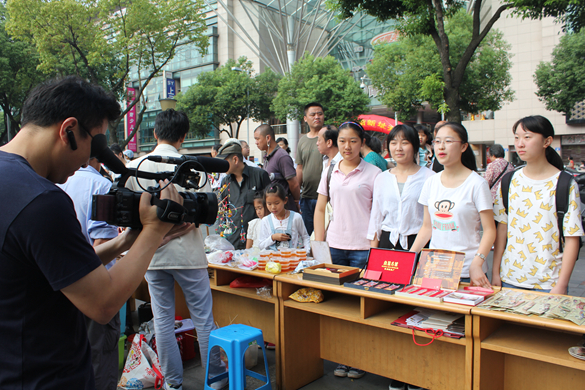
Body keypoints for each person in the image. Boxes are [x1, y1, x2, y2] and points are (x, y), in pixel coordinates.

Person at [0, 76, 180, 389]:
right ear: (68, 130)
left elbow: (57, 271)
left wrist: (124, 242)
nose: (89, 160)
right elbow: (103, 304)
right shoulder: (42, 201)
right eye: (95, 145)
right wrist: (154, 230)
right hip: (47, 376)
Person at [125, 109, 225, 390]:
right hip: (189, 255)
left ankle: (172, 384)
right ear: (183, 137)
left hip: (152, 254)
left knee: (163, 321)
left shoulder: (136, 166)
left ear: (155, 133)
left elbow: (131, 215)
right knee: (204, 319)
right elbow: (205, 211)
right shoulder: (193, 167)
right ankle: (214, 383)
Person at [314, 121, 381, 380]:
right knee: (337, 307)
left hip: (363, 249)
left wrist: (374, 250)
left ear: (361, 142)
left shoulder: (374, 173)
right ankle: (342, 356)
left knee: (360, 307)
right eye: (342, 141)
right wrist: (320, 245)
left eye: (353, 141)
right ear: (336, 142)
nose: (347, 146)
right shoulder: (330, 170)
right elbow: (320, 209)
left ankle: (360, 359)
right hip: (335, 248)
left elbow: (377, 215)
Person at [493, 116, 584, 294]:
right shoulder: (509, 181)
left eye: (527, 137)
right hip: (509, 279)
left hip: (549, 284)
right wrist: (496, 271)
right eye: (517, 137)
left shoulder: (564, 184)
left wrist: (562, 285)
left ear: (547, 141)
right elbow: (502, 229)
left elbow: (572, 237)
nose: (520, 144)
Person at [58, 157, 121, 390]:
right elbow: (101, 243)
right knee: (99, 358)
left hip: (62, 284)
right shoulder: (102, 186)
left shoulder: (56, 181)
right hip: (95, 287)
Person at [410, 122, 496, 289]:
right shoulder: (431, 182)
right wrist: (410, 257)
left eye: (448, 141)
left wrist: (477, 263)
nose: (441, 147)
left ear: (463, 146)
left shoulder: (477, 184)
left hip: (467, 272)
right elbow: (427, 228)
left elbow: (490, 230)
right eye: (437, 141)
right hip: (434, 270)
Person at [368, 125, 435, 250]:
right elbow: (376, 218)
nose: (398, 148)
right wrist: (373, 252)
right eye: (393, 143)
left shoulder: (429, 177)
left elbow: (432, 221)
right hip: (387, 242)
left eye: (404, 143)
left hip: (419, 242)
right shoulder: (382, 178)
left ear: (415, 146)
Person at [216, 139, 271, 249]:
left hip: (258, 240)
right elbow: (222, 211)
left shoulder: (259, 175)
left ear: (235, 159)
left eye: (224, 161)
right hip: (233, 240)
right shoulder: (225, 182)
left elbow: (271, 206)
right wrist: (221, 236)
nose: (221, 165)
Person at [254, 124, 300, 212]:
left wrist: (296, 202)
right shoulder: (267, 157)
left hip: (285, 210)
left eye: (257, 138)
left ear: (268, 138)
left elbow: (294, 184)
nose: (256, 142)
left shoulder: (281, 156)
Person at [296, 102, 325, 235]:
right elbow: (300, 168)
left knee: (325, 234)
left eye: (320, 114)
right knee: (308, 235)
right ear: (305, 118)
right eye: (312, 114)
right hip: (307, 197)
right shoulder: (302, 141)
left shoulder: (330, 137)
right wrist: (296, 196)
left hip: (326, 197)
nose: (317, 117)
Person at [258, 183, 310, 251]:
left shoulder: (296, 217)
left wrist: (306, 251)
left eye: (277, 203)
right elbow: (261, 245)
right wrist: (273, 237)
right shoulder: (265, 220)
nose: (273, 207)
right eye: (269, 204)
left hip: (292, 259)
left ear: (285, 200)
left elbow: (305, 237)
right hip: (272, 260)